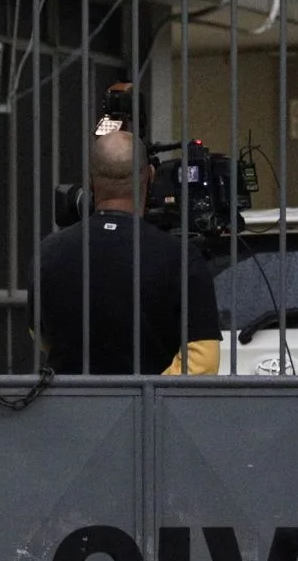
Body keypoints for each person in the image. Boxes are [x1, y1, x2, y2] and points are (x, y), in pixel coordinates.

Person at [35, 128, 222, 375]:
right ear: (151, 176)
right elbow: (203, 361)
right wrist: (146, 400)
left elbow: (40, 332)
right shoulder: (180, 257)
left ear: (90, 181)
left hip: (71, 407)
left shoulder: (49, 252)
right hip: (150, 411)